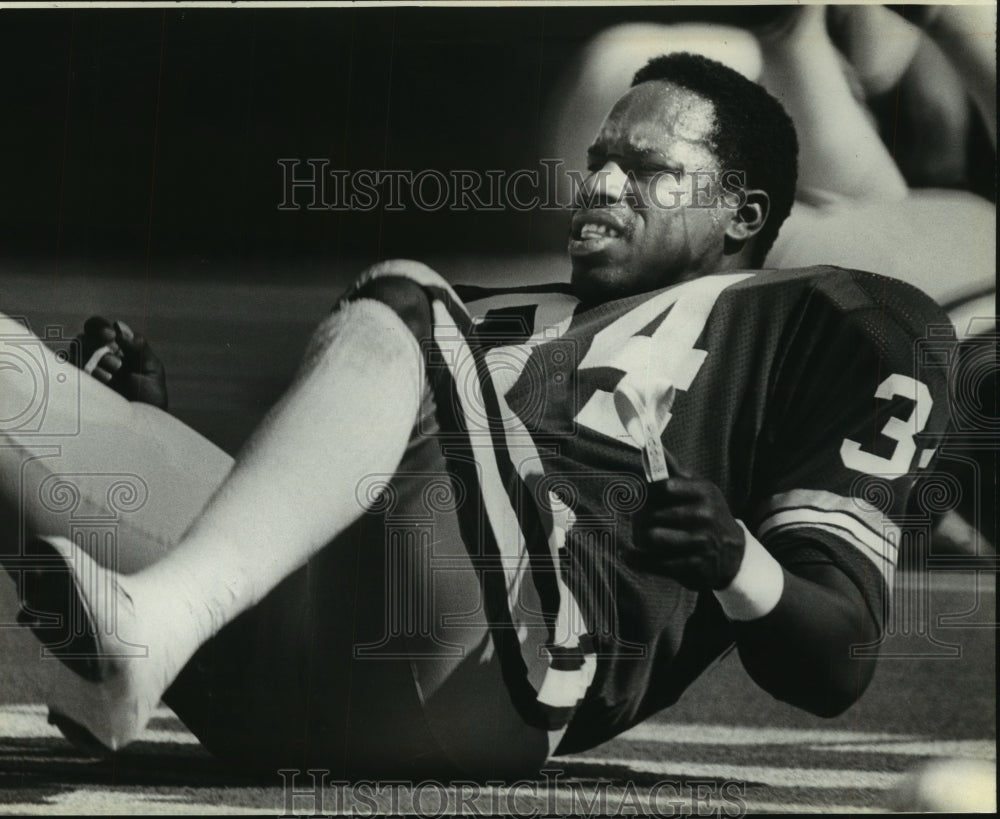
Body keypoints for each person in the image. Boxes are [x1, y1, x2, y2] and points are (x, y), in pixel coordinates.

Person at [1, 52, 952, 780]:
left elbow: (836, 660)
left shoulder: (831, 319)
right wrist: (149, 436)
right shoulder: (492, 310)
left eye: (648, 168)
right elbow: (351, 505)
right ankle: (150, 627)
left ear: (743, 215)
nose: (603, 185)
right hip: (286, 658)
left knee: (405, 299)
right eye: (599, 160)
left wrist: (737, 559)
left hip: (493, 671)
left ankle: (158, 620)